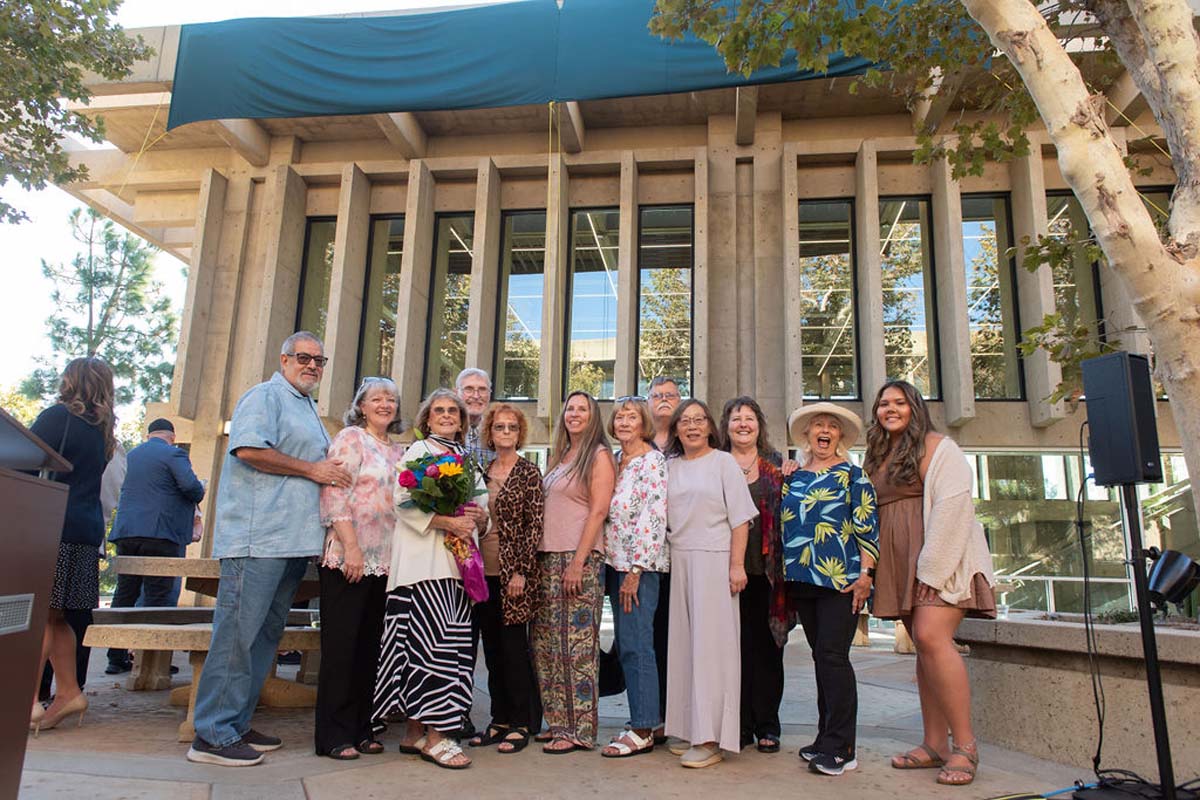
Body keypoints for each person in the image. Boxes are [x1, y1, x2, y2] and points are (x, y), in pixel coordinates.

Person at [187, 332, 351, 767]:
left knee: (263, 638)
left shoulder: (306, 406)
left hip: (291, 543)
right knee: (236, 637)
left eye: (319, 360)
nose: (312, 365)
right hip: (257, 539)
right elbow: (248, 449)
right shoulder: (265, 396)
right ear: (284, 359)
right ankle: (211, 734)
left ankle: (236, 724)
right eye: (304, 357)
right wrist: (313, 469)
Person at [864, 380, 996, 787]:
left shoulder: (940, 447)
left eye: (899, 402)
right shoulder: (880, 453)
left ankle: (966, 746)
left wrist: (933, 571)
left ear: (915, 407)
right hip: (899, 561)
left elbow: (953, 510)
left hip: (940, 560)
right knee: (924, 648)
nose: (890, 409)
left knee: (931, 637)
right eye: (883, 403)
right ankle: (934, 743)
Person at [375, 388, 488, 770]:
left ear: (462, 420)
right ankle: (436, 738)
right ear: (427, 418)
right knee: (432, 652)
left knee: (436, 651)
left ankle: (415, 734)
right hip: (423, 568)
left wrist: (481, 518)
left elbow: (481, 509)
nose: (446, 415)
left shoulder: (466, 459)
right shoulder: (418, 453)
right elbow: (402, 502)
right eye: (439, 410)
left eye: (453, 410)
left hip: (455, 569)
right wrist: (446, 522)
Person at [782, 402, 879, 776]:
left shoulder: (854, 476)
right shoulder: (794, 476)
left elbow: (867, 528)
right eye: (817, 425)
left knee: (834, 657)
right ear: (807, 434)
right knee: (821, 657)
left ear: (839, 436)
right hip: (802, 579)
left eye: (832, 426)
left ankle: (842, 748)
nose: (824, 431)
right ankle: (825, 739)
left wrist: (866, 575)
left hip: (842, 580)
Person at [663, 399, 757, 768]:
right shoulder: (670, 466)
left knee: (712, 653)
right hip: (680, 560)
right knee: (684, 649)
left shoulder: (724, 463)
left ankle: (711, 738)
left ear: (710, 427)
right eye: (685, 421)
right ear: (676, 429)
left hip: (715, 560)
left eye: (699, 419)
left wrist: (737, 566)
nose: (692, 426)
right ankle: (690, 728)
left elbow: (741, 520)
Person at [314, 378, 405, 760]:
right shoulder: (351, 438)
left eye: (391, 399)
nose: (385, 404)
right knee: (342, 649)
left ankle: (362, 728)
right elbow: (334, 493)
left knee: (370, 650)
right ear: (361, 406)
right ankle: (334, 736)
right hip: (348, 557)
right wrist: (351, 546)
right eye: (376, 399)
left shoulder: (398, 450)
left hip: (384, 562)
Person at [28, 357, 116, 735]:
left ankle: (25, 701)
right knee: (57, 616)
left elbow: (22, 463)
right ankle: (68, 691)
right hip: (84, 532)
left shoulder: (57, 417)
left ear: (70, 381)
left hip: (53, 527)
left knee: (37, 617)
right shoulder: (101, 432)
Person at [532, 390, 615, 754]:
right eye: (570, 408)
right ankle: (557, 722)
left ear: (593, 416)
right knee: (548, 645)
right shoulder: (560, 456)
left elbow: (598, 511)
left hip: (578, 559)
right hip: (547, 559)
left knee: (576, 648)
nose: (575, 414)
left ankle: (579, 729)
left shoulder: (598, 456)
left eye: (583, 409)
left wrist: (578, 562)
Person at [468, 403, 543, 755]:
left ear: (520, 433)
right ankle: (498, 719)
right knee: (493, 650)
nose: (506, 432)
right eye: (500, 427)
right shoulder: (481, 473)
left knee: (514, 650)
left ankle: (521, 722)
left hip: (514, 573)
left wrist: (520, 572)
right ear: (490, 432)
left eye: (512, 427)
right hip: (483, 573)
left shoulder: (528, 472)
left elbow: (534, 527)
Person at [105, 418, 205, 674]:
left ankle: (116, 657)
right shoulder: (174, 454)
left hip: (127, 532)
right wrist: (200, 491)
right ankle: (151, 663)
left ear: (149, 435)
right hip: (161, 533)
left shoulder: (131, 456)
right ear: (172, 437)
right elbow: (191, 487)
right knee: (158, 596)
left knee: (125, 593)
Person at [719, 396, 789, 754]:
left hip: (767, 575)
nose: (743, 424)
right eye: (736, 419)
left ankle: (767, 725)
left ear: (759, 425)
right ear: (726, 426)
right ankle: (740, 725)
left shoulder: (777, 465)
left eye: (749, 418)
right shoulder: (715, 463)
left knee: (768, 650)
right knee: (733, 652)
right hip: (724, 572)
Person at [601, 397, 668, 758]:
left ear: (644, 424)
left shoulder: (652, 461)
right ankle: (648, 719)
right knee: (626, 644)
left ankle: (642, 728)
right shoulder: (615, 461)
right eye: (619, 417)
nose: (624, 422)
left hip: (638, 569)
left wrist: (636, 570)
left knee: (636, 645)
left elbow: (653, 517)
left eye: (632, 417)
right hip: (612, 564)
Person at [646, 375, 682, 738]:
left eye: (671, 394)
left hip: (681, 553)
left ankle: (676, 714)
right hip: (644, 558)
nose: (664, 400)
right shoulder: (636, 445)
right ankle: (652, 713)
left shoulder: (688, 442)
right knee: (649, 636)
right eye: (657, 395)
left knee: (676, 637)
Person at [456, 367, 494, 466]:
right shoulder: (447, 431)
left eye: (482, 389)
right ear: (456, 393)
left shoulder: (496, 432)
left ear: (489, 394)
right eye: (469, 389)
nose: (476, 396)